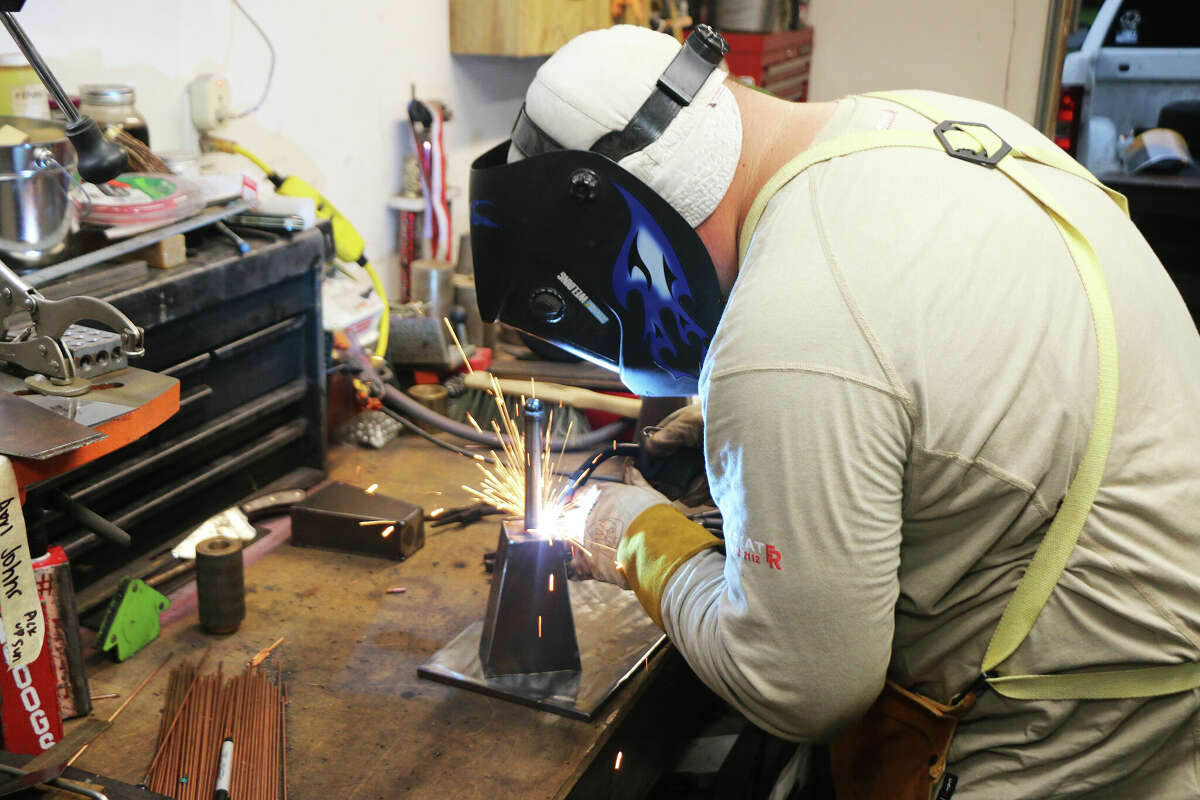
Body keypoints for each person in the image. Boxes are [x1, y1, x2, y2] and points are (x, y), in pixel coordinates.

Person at [468, 24, 1200, 800]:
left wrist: (635, 538)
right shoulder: (906, 124)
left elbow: (800, 688)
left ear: (620, 231)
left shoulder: (789, 324)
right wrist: (751, 442)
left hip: (1075, 727)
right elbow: (927, 381)